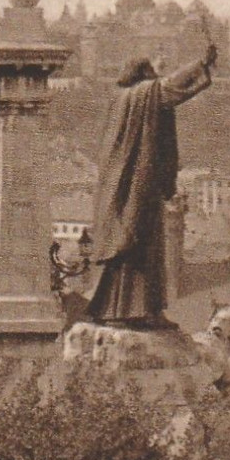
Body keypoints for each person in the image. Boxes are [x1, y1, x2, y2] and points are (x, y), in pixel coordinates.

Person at [86, 43, 217, 327]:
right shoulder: (139, 96)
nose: (153, 77)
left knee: (142, 246)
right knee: (134, 245)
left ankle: (143, 310)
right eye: (149, 72)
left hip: (133, 185)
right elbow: (169, 87)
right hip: (134, 186)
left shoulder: (120, 100)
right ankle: (124, 312)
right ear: (141, 75)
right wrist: (201, 64)